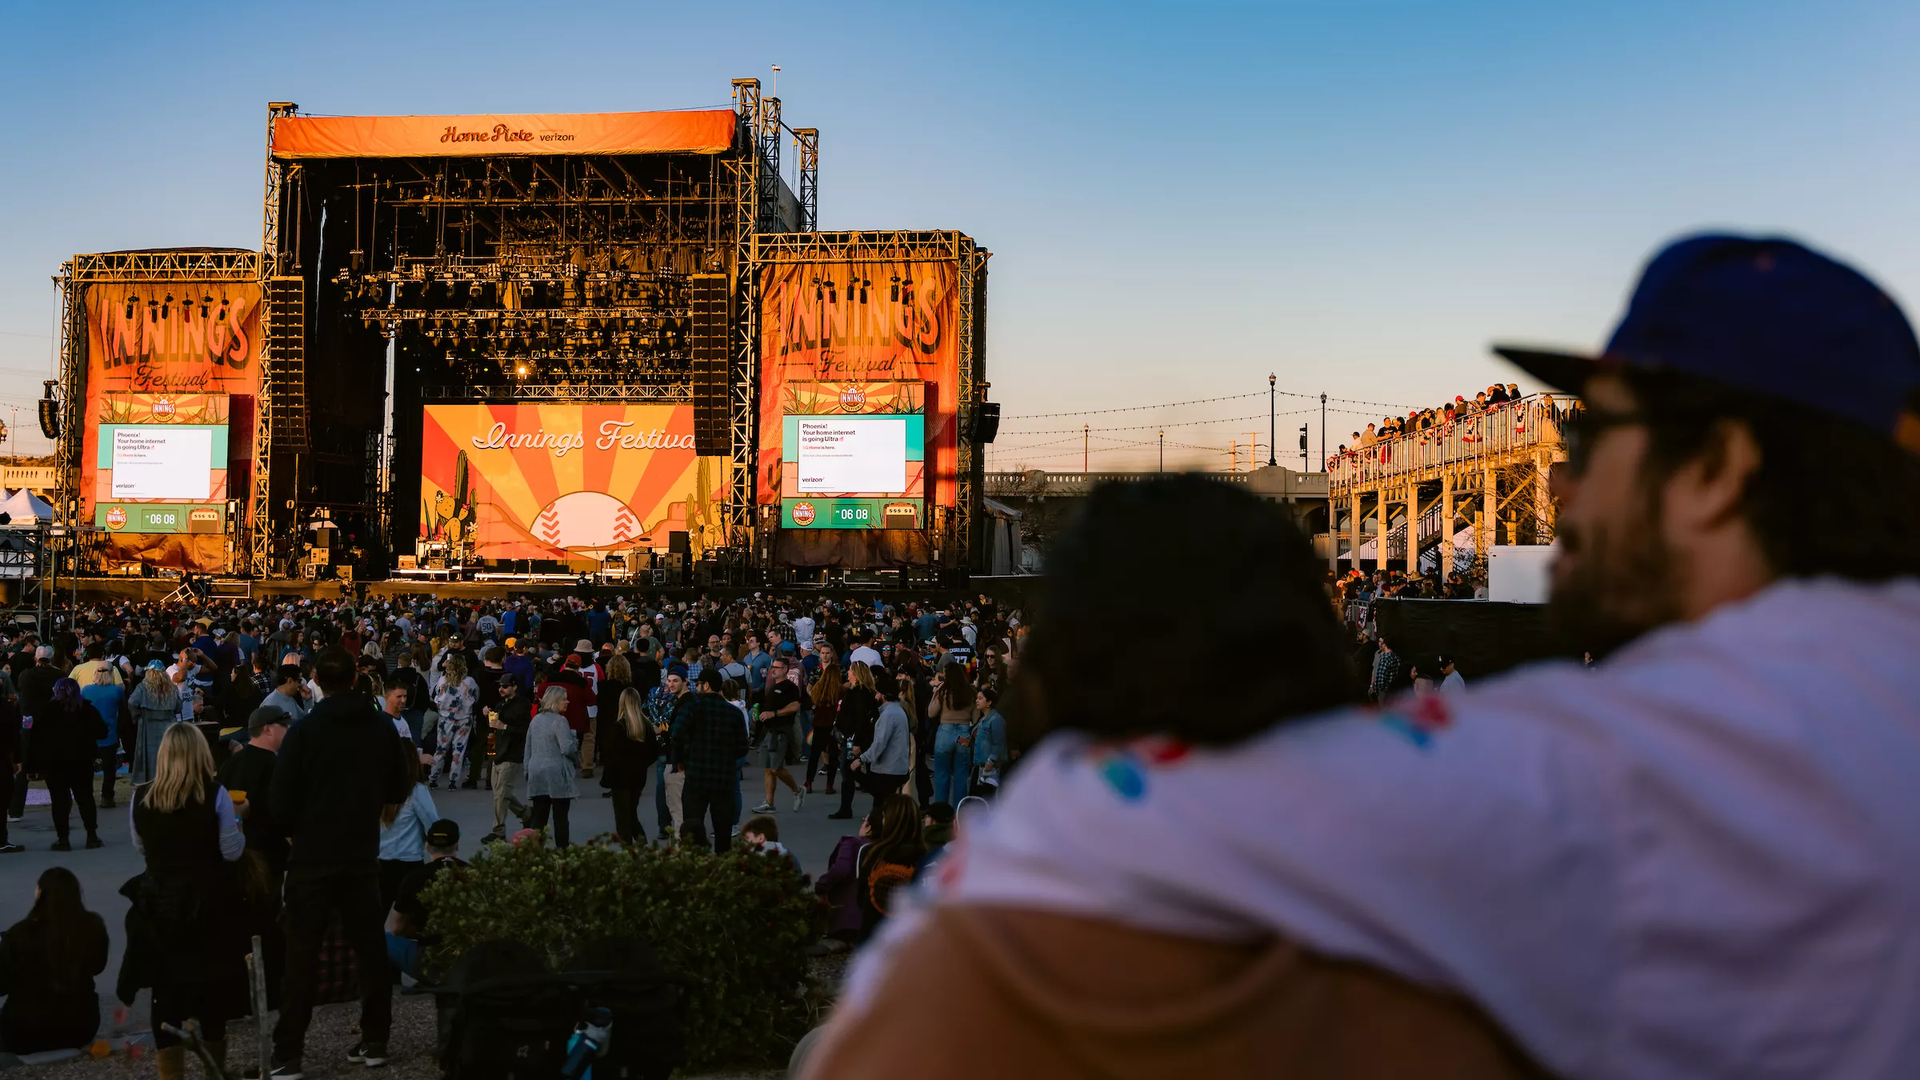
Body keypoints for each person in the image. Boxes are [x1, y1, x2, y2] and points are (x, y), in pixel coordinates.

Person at [813, 236, 1920, 1080]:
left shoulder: (1683, 749)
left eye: (1591, 438)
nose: (1565, 484)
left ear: (1721, 466)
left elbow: (1112, 825)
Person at [268, 646, 413, 1076]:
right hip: (361, 851)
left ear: (318, 681)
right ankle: (375, 1039)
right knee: (370, 951)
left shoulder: (305, 731)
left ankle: (289, 1051)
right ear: (355, 679)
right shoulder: (381, 729)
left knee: (301, 956)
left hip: (313, 854)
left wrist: (301, 824)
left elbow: (280, 801)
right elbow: (397, 787)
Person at [124, 723, 249, 1079]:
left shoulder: (141, 797)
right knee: (212, 992)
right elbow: (231, 851)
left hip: (158, 905)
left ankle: (170, 1074)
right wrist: (239, 825)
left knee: (165, 994)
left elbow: (140, 847)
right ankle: (214, 1070)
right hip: (208, 903)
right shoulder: (216, 794)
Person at [0, 867, 109, 1056]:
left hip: (25, 1030)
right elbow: (98, 966)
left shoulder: (19, 934)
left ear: (40, 893)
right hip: (80, 1026)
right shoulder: (93, 925)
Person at [672, 669, 748, 854]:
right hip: (723, 777)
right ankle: (722, 866)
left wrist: (681, 759)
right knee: (723, 830)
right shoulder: (733, 712)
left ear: (706, 686)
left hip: (696, 776)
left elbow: (676, 735)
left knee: (692, 825)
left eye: (699, 684)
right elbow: (743, 746)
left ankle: (695, 862)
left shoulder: (691, 708)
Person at [27, 678, 107, 851]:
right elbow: (102, 731)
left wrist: (32, 766)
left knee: (59, 801)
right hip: (82, 761)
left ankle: (63, 839)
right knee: (85, 798)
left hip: (55, 762)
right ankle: (91, 835)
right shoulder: (86, 709)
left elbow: (35, 739)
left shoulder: (48, 710)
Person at [385, 819, 467, 982]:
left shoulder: (413, 878)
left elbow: (396, 929)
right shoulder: (474, 872)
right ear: (457, 845)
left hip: (429, 962)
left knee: (384, 939)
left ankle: (394, 989)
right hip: (466, 961)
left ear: (427, 846)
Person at [828, 671, 910, 821]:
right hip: (895, 765)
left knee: (874, 788)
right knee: (880, 797)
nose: (875, 696)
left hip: (889, 767)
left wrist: (861, 759)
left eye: (878, 693)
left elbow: (880, 743)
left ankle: (877, 822)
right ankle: (876, 818)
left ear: (884, 695)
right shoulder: (896, 711)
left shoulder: (888, 715)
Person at [854, 793, 924, 942]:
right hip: (912, 938)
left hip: (874, 936)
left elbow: (861, 897)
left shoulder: (870, 853)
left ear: (889, 821)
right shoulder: (926, 857)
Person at [377, 750, 438, 912]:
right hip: (408, 863)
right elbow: (433, 825)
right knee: (412, 919)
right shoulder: (416, 791)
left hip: (379, 861)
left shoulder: (378, 787)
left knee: (376, 917)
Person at [601, 686, 658, 847]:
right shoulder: (646, 726)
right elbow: (654, 751)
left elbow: (610, 753)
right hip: (638, 776)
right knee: (632, 813)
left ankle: (627, 848)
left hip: (620, 777)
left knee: (622, 816)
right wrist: (641, 764)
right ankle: (642, 843)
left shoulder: (619, 726)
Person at [523, 685, 580, 848]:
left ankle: (535, 850)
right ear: (555, 701)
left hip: (537, 772)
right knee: (560, 817)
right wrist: (575, 745)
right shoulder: (560, 721)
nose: (567, 702)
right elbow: (567, 748)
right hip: (556, 773)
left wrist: (527, 769)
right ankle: (562, 849)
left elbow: (528, 746)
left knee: (539, 817)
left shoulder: (536, 720)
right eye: (564, 699)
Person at [752, 656, 804, 814]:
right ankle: (769, 803)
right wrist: (760, 715)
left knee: (776, 769)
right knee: (768, 769)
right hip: (768, 732)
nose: (772, 670)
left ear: (785, 670)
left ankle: (797, 790)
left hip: (780, 732)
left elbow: (795, 706)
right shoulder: (773, 688)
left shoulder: (790, 687)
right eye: (772, 667)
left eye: (776, 667)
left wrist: (774, 713)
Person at [484, 675, 532, 843]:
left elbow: (524, 729)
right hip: (498, 754)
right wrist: (490, 716)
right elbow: (493, 729)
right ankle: (527, 814)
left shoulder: (522, 705)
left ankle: (498, 832)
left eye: (505, 686)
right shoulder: (500, 704)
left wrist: (504, 726)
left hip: (512, 755)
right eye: (500, 686)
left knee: (500, 795)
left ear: (514, 687)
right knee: (501, 794)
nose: (501, 689)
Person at [928, 663, 977, 808]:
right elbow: (974, 719)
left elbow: (931, 713)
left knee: (942, 776)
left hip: (945, 732)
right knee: (961, 777)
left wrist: (935, 693)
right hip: (963, 734)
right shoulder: (971, 692)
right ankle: (958, 814)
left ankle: (941, 813)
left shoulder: (943, 691)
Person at [427, 652, 478, 789]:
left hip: (445, 718)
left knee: (441, 749)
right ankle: (453, 781)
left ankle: (433, 778)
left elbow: (436, 694)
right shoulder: (469, 682)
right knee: (458, 749)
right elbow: (475, 697)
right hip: (464, 719)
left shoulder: (443, 680)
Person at [127, 660, 181, 785]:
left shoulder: (143, 686)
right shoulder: (172, 687)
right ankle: (168, 781)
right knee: (168, 754)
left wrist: (138, 716)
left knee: (149, 756)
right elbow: (178, 706)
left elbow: (131, 702)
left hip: (148, 724)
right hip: (168, 724)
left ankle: (149, 782)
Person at [80, 665, 126, 809]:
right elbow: (123, 711)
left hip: (89, 736)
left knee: (86, 769)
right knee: (109, 769)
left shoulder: (86, 690)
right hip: (109, 734)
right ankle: (106, 796)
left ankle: (86, 796)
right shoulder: (117, 691)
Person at [803, 661, 842, 796]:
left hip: (819, 725)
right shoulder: (839, 690)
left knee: (814, 755)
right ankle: (829, 785)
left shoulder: (818, 688)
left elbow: (812, 700)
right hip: (832, 726)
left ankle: (808, 782)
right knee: (833, 756)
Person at [970, 686, 1007, 796]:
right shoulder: (982, 719)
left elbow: (999, 742)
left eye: (980, 698)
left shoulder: (996, 720)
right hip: (980, 764)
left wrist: (991, 760)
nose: (977, 701)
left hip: (989, 767)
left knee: (985, 797)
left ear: (989, 702)